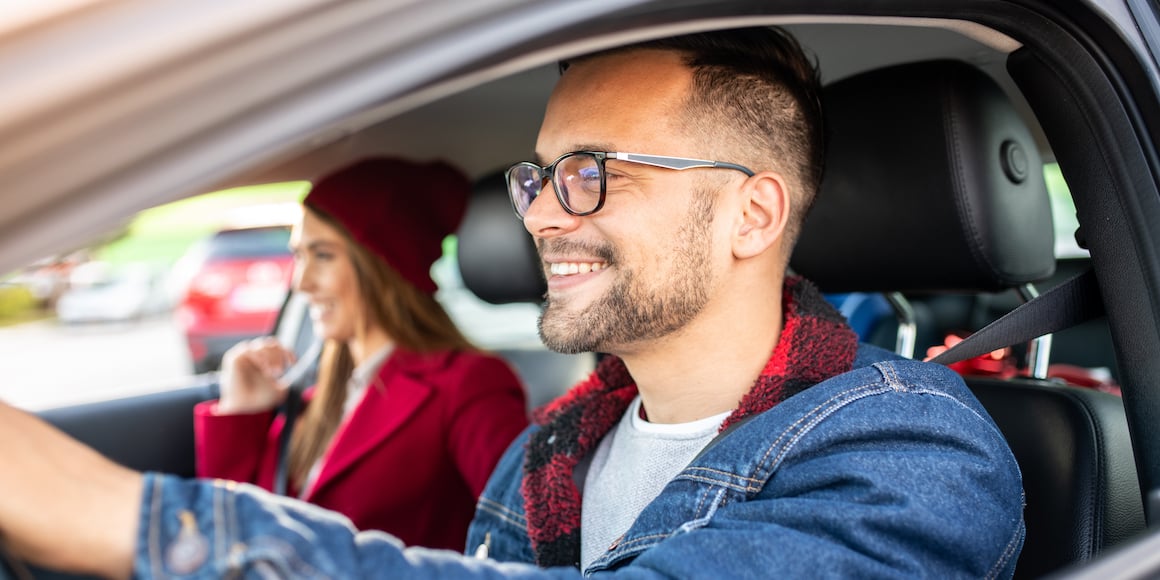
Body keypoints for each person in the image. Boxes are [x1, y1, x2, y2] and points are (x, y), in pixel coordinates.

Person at [0, 26, 1024, 578]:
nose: (538, 217)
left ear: (749, 213)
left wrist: (148, 526)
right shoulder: (550, 449)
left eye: (590, 171)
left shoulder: (912, 450)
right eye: (538, 177)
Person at [193, 157, 530, 551]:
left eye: (323, 255)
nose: (301, 283)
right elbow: (228, 535)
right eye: (299, 255)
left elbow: (525, 537)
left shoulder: (467, 383)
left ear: (382, 264)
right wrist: (241, 411)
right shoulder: (315, 395)